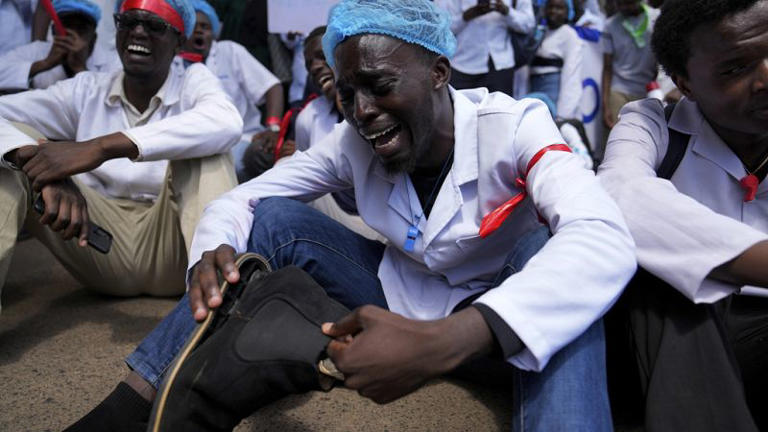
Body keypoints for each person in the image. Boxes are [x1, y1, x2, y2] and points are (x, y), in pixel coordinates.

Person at [68, 0, 635, 430]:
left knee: (547, 254)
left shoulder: (514, 125)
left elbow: (602, 234)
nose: (363, 111)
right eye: (347, 93)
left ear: (440, 71)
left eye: (380, 85)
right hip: (405, 302)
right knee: (276, 223)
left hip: (500, 330)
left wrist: (455, 337)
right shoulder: (350, 141)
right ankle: (134, 399)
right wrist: (207, 257)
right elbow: (243, 200)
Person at [0, 0, 242, 310]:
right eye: (128, 22)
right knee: (12, 154)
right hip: (98, 243)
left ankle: (218, 305)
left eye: (155, 26)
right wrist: (40, 167)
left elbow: (227, 121)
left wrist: (99, 147)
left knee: (209, 149)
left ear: (179, 42)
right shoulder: (86, 89)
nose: (138, 33)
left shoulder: (194, 80)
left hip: (176, 247)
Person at [598, 0, 768, 430]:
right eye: (736, 68)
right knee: (659, 282)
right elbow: (620, 192)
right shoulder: (651, 124)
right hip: (679, 330)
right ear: (685, 83)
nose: (766, 78)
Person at [177, 0, 283, 181]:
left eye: (205, 26)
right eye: (193, 27)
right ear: (181, 34)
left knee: (259, 155)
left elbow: (272, 87)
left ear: (214, 33)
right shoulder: (170, 62)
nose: (199, 31)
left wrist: (273, 127)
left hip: (239, 141)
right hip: (189, 144)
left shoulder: (230, 51)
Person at [0, 0, 121, 92]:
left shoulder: (112, 62)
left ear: (93, 37)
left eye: (81, 28)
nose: (73, 34)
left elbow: (111, 99)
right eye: (67, 27)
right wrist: (44, 64)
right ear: (53, 31)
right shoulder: (36, 51)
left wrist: (79, 68)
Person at [436, 0, 536, 97]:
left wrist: (507, 12)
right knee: (461, 111)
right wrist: (465, 17)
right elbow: (439, 28)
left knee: (501, 112)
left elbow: (529, 24)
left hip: (501, 64)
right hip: (462, 65)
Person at [600, 0, 658, 130]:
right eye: (620, 4)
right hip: (619, 91)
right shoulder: (610, 26)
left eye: (629, 3)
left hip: (648, 91)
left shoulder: (656, 18)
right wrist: (606, 106)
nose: (624, 7)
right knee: (619, 136)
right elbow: (607, 67)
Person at [529, 0, 583, 120]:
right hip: (533, 86)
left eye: (559, 8)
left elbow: (571, 74)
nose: (553, 11)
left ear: (568, 12)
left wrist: (564, 113)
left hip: (553, 89)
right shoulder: (540, 32)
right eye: (551, 7)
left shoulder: (570, 35)